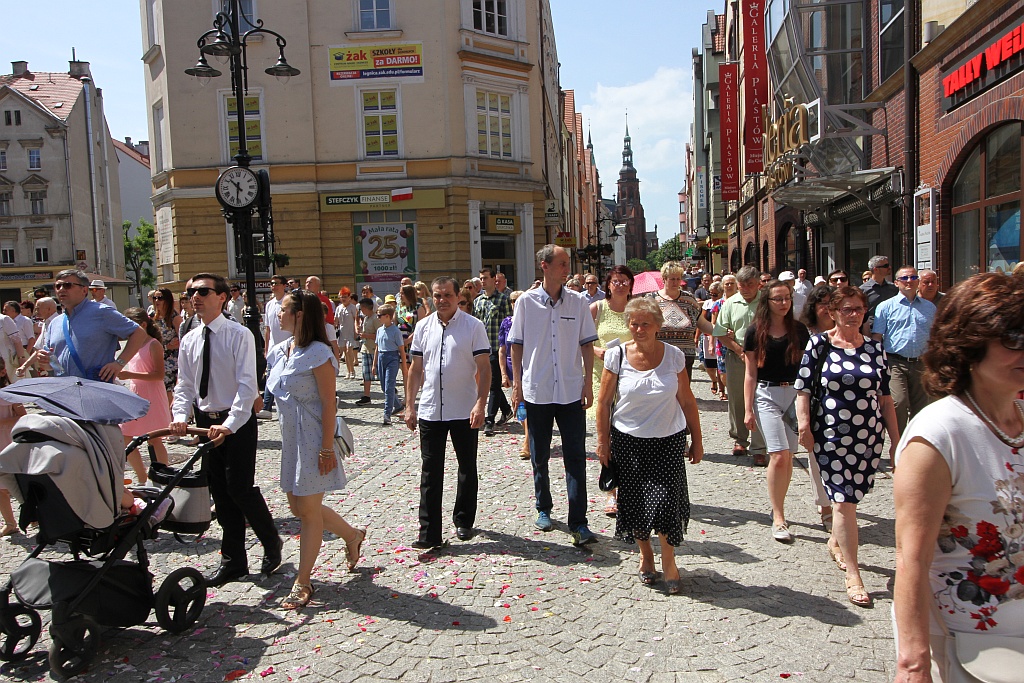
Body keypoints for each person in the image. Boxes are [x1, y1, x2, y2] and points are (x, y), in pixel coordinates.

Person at [892, 272, 1024, 682]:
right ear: (969, 345)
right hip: (969, 644)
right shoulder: (939, 435)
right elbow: (911, 557)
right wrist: (913, 663)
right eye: (1012, 338)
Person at [169, 273, 282, 588]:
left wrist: (229, 425)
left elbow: (248, 387)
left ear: (221, 297)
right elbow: (185, 386)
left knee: (240, 488)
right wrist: (180, 416)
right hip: (206, 423)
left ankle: (271, 541)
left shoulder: (239, 334)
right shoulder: (190, 338)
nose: (196, 296)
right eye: (191, 292)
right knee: (220, 491)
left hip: (237, 421)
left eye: (203, 291)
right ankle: (233, 562)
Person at [795, 286, 899, 608]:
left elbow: (884, 398)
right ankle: (853, 574)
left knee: (853, 498)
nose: (853, 315)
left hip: (867, 437)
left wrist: (896, 440)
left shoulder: (875, 349)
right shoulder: (819, 344)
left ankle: (835, 539)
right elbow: (803, 390)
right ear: (833, 313)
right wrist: (802, 426)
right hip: (831, 436)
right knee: (842, 503)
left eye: (858, 309)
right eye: (846, 309)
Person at [595, 298, 703, 594]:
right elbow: (604, 403)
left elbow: (687, 401)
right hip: (628, 441)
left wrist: (698, 439)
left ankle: (669, 561)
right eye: (634, 323)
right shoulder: (616, 355)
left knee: (667, 503)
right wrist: (603, 442)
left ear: (658, 326)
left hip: (668, 440)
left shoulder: (674, 356)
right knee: (636, 505)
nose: (639, 329)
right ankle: (646, 557)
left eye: (645, 323)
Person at [267, 289, 365, 609]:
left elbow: (328, 404)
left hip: (313, 439)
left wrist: (326, 449)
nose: (278, 314)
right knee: (300, 508)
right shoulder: (283, 350)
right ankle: (352, 535)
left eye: (284, 309)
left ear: (300, 315)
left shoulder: (319, 353)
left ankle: (303, 581)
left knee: (307, 513)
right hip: (291, 439)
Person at [510, 245, 599, 547]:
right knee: (540, 454)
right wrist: (518, 385)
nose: (567, 269)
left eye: (567, 264)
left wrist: (587, 383)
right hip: (538, 389)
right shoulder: (525, 302)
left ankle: (579, 522)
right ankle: (543, 507)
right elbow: (516, 344)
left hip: (571, 389)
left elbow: (587, 345)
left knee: (575, 457)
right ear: (544, 266)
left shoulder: (577, 303)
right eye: (562, 263)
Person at [404, 276, 491, 549]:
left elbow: (485, 369)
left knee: (467, 467)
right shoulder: (422, 327)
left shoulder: (473, 327)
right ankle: (429, 533)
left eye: (447, 296)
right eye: (437, 296)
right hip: (431, 409)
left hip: (464, 409)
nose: (441, 301)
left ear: (457, 296)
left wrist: (480, 403)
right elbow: (415, 369)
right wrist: (409, 405)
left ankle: (464, 520)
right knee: (430, 472)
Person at [743, 280, 810, 543]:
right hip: (766, 394)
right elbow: (750, 373)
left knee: (789, 455)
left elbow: (806, 370)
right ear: (767, 302)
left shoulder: (799, 330)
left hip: (795, 394)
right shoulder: (754, 332)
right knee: (779, 455)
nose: (784, 304)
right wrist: (748, 409)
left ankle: (779, 503)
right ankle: (779, 516)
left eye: (787, 298)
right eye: (778, 299)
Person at [32, 269, 148, 382]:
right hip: (66, 390)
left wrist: (119, 363)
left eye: (67, 285)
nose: (61, 289)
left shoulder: (101, 312)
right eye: (58, 286)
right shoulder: (55, 323)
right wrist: (45, 361)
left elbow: (139, 333)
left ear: (84, 290)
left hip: (96, 387)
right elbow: (52, 364)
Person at [589, 266, 634, 516]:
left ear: (631, 284)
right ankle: (611, 491)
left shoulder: (634, 309)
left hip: (629, 376)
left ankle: (629, 486)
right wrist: (598, 351)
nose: (619, 285)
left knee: (626, 436)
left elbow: (645, 337)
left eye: (624, 281)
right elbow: (581, 340)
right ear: (608, 284)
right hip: (601, 376)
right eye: (616, 281)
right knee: (605, 436)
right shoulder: (596, 309)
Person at [872, 265, 936, 436]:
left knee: (922, 407)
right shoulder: (885, 307)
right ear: (896, 283)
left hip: (921, 363)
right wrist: (876, 363)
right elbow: (877, 337)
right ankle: (897, 441)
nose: (909, 281)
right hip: (895, 363)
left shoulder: (929, 308)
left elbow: (935, 336)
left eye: (913, 278)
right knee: (898, 403)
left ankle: (916, 442)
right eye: (905, 278)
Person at [713, 265, 768, 464]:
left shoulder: (766, 301)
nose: (745, 288)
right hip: (737, 356)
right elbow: (719, 332)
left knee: (761, 399)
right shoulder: (730, 303)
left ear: (758, 284)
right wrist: (738, 350)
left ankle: (760, 446)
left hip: (764, 356)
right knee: (737, 399)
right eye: (741, 285)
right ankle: (740, 440)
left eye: (750, 285)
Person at [798, 283, 837, 531]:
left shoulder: (851, 332)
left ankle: (843, 503)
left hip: (846, 405)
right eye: (823, 303)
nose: (828, 308)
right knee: (817, 455)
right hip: (817, 401)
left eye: (832, 303)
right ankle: (825, 506)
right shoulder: (806, 334)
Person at [118, 308, 171, 483]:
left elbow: (159, 375)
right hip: (136, 394)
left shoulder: (153, 344)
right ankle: (142, 476)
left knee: (154, 439)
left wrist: (129, 375)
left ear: (142, 325)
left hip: (152, 396)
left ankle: (162, 476)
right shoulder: (134, 345)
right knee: (125, 436)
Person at [646, 261, 714, 383]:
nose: (676, 282)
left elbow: (702, 323)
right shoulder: (651, 300)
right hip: (660, 356)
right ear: (664, 279)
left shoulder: (688, 299)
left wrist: (721, 330)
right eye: (672, 279)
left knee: (683, 395)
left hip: (685, 356)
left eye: (678, 279)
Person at [474, 267, 512, 436]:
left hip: (498, 348)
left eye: (485, 278)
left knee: (494, 385)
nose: (482, 281)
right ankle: (506, 409)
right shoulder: (478, 301)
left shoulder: (503, 300)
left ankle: (489, 420)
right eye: (481, 278)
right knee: (490, 383)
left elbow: (510, 323)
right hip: (482, 348)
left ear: (493, 280)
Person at [498, 291, 529, 460]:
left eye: (518, 300)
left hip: (529, 368)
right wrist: (504, 374)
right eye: (512, 301)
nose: (515, 303)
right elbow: (502, 350)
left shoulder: (530, 321)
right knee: (519, 408)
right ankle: (528, 433)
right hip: (512, 369)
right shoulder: (506, 323)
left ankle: (527, 440)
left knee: (527, 405)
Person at [0, 357, 26, 536]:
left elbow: (23, 416)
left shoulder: (9, 394)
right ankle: (10, 523)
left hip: (8, 443)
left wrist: (3, 421)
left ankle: (34, 515)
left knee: (20, 482)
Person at [259, 275, 290, 419]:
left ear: (284, 285)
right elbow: (268, 329)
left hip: (288, 346)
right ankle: (266, 407)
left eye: (277, 283)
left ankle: (284, 405)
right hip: (273, 347)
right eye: (272, 283)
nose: (273, 286)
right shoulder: (269, 304)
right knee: (271, 376)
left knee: (285, 379)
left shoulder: (289, 302)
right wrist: (266, 348)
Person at [372, 303, 406, 425]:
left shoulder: (395, 331)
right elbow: (377, 347)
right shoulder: (379, 330)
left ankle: (387, 414)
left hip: (392, 358)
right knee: (383, 386)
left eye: (379, 315)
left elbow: (401, 349)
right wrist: (374, 364)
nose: (378, 317)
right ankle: (398, 405)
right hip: (382, 357)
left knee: (389, 386)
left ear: (387, 316)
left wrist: (404, 366)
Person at [150, 288, 182, 407]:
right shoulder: (153, 316)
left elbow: (183, 340)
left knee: (168, 391)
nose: (157, 300)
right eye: (155, 298)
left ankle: (169, 418)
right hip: (157, 357)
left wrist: (168, 346)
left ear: (167, 300)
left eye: (160, 298)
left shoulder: (175, 318)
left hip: (171, 360)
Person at [860, 255, 898, 333]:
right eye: (886, 266)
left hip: (891, 329)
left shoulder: (893, 288)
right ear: (876, 269)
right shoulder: (863, 290)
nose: (889, 267)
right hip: (871, 330)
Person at [699, 281, 724, 395]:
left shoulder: (722, 304)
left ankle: (721, 388)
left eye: (715, 294)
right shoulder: (707, 304)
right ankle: (714, 380)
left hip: (720, 336)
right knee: (709, 365)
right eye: (711, 294)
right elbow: (701, 321)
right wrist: (696, 337)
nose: (713, 296)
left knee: (719, 363)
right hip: (707, 336)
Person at [355, 298, 380, 406]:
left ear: (365, 308)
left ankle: (391, 392)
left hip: (374, 350)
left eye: (361, 308)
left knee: (380, 374)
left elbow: (380, 336)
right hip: (365, 348)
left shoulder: (375, 318)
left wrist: (366, 335)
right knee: (366, 374)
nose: (361, 311)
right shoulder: (366, 318)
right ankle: (367, 396)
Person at [335, 288, 359, 380]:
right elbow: (336, 320)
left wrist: (356, 331)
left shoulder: (353, 308)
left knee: (349, 351)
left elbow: (356, 320)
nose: (343, 299)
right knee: (345, 352)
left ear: (349, 297)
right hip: (342, 333)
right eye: (341, 297)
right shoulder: (339, 308)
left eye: (345, 297)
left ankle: (352, 371)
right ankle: (348, 371)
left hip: (351, 332)